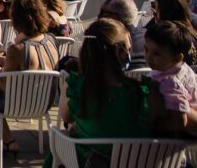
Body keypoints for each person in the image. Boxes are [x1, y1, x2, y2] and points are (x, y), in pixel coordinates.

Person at [55, 19, 150, 167]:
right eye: (128, 49)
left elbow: (65, 116)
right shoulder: (142, 93)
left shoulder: (79, 88)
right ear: (119, 50)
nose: (129, 53)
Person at [0, 0, 59, 155]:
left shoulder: (17, 49)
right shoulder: (51, 41)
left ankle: (9, 141)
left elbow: (5, 86)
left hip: (17, 105)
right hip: (45, 102)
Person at [145, 21, 197, 137]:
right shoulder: (182, 68)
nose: (149, 57)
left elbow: (180, 121)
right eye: (146, 50)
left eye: (157, 54)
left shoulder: (168, 82)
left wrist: (157, 125)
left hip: (179, 137)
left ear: (176, 58)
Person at [97, 0, 147, 68]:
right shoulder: (148, 37)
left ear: (114, 17)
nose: (98, 16)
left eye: (102, 12)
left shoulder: (109, 41)